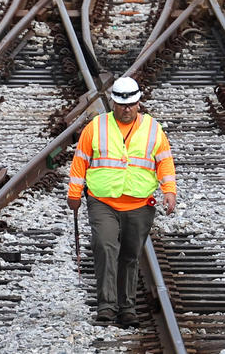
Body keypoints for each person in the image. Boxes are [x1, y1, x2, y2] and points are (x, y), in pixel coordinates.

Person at [67, 76, 177, 328]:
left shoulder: (152, 129)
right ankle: (106, 305)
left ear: (139, 102)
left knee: (129, 256)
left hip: (139, 204)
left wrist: (169, 190)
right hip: (102, 200)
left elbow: (165, 161)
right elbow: (80, 161)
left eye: (131, 104)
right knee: (105, 247)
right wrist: (74, 194)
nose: (126, 109)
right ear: (113, 103)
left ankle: (127, 308)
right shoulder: (96, 127)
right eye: (121, 104)